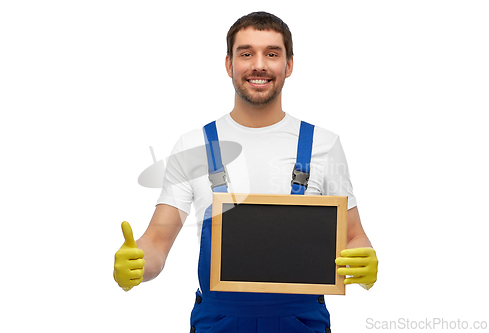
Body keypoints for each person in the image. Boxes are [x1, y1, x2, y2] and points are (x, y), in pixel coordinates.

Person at [113, 11, 378, 333]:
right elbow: (157, 240)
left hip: (301, 322)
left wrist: (364, 260)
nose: (259, 64)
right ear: (229, 64)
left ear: (289, 65)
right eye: (246, 53)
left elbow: (353, 234)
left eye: (272, 53)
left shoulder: (324, 144)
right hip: (219, 322)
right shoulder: (193, 144)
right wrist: (138, 263)